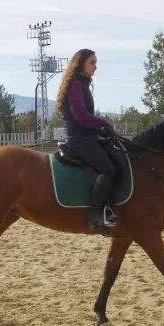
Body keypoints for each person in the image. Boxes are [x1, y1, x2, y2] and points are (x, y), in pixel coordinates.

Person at [55, 49, 123, 230]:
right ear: (81, 64)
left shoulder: (81, 84)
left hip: (87, 137)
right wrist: (103, 122)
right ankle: (94, 216)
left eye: (95, 63)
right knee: (108, 169)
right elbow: (80, 116)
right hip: (80, 140)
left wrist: (101, 129)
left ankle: (109, 206)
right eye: (92, 62)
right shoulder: (76, 85)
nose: (95, 67)